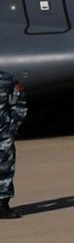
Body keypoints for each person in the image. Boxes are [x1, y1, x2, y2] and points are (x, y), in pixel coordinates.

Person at [0, 65, 25, 217]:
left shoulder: (7, 80)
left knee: (4, 168)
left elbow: (19, 106)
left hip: (3, 133)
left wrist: (12, 128)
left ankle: (2, 205)